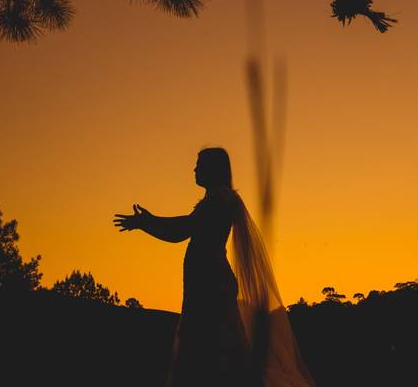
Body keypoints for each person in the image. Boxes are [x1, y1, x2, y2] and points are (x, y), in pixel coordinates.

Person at [113, 147, 314, 387]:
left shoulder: (220, 198)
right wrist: (147, 223)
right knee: (210, 345)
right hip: (204, 279)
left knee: (212, 345)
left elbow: (184, 229)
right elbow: (181, 233)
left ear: (214, 168)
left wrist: (147, 222)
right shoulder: (214, 199)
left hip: (211, 282)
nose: (195, 169)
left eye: (200, 164)